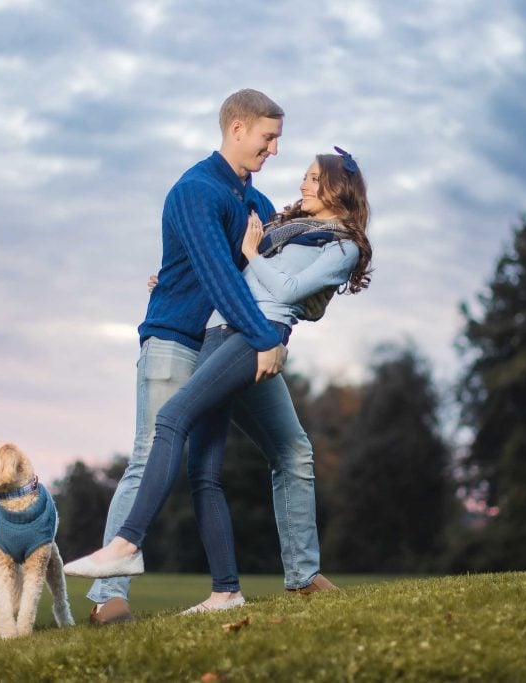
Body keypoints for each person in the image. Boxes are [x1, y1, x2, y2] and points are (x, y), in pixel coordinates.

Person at [65, 149, 372, 613]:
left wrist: (252, 254)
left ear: (337, 189)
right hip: (219, 330)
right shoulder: (284, 228)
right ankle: (225, 591)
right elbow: (228, 271)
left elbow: (287, 292)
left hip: (254, 336)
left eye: (313, 179)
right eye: (306, 177)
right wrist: (174, 283)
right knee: (203, 469)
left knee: (173, 419)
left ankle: (127, 545)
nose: (303, 184)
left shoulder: (342, 244)